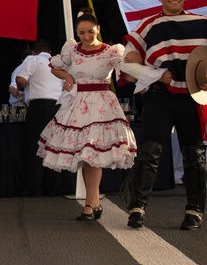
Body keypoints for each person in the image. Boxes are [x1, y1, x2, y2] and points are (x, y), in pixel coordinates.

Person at [122, 0, 207, 230]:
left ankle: (194, 211)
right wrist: (157, 74)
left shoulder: (202, 22)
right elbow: (126, 63)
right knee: (150, 152)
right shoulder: (149, 25)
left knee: (194, 155)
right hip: (160, 96)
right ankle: (137, 208)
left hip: (193, 98)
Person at [37, 14, 137, 219]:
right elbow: (55, 66)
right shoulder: (72, 50)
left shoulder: (111, 51)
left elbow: (127, 72)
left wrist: (136, 68)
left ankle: (90, 206)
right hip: (78, 103)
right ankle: (94, 203)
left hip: (102, 104)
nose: (86, 36)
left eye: (90, 31)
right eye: (82, 32)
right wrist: (68, 76)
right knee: (85, 156)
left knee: (92, 154)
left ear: (98, 28)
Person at [15, 40, 65, 196]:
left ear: (34, 52)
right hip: (58, 107)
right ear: (49, 51)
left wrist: (23, 88)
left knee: (36, 147)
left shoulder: (32, 59)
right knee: (54, 147)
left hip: (39, 106)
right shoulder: (59, 63)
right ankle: (52, 188)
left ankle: (34, 189)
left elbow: (20, 80)